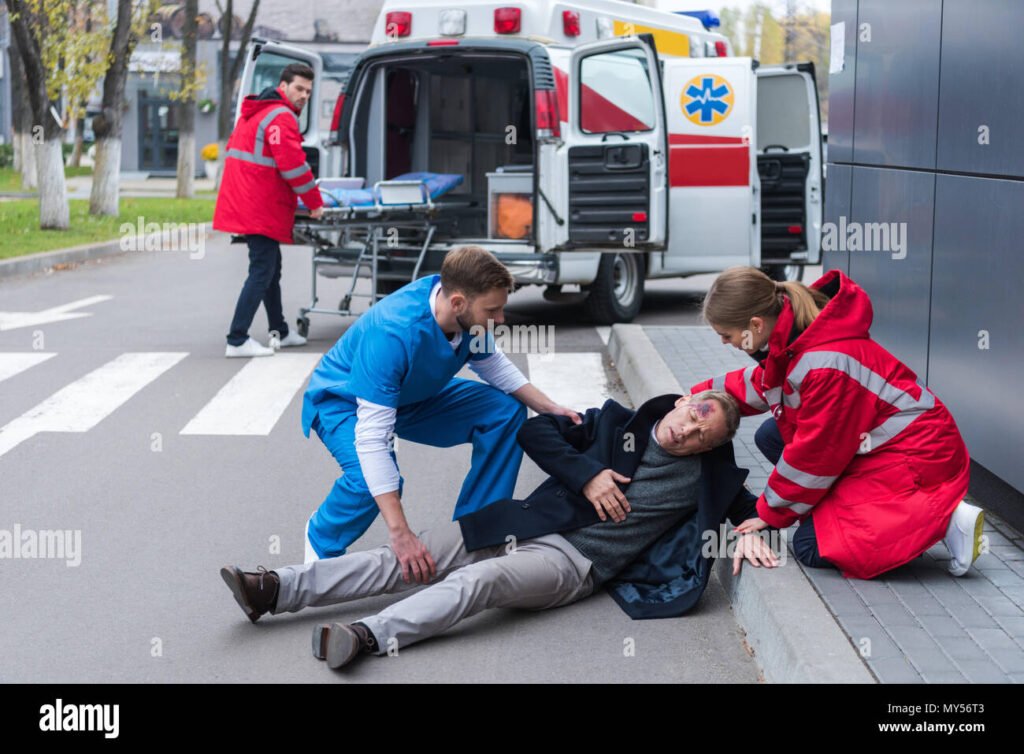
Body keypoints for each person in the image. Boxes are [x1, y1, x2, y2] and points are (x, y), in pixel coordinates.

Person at [221, 390, 779, 669]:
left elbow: (758, 509)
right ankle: (276, 588)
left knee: (479, 582)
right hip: (521, 522)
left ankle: (367, 636)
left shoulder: (710, 475)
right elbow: (538, 435)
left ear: (711, 447)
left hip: (573, 563)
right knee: (406, 557)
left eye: (705, 435)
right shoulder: (612, 423)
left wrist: (753, 528)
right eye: (695, 415)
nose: (690, 431)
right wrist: (587, 477)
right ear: (683, 401)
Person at [691, 266, 982, 580]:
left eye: (727, 335)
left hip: (919, 460)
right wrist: (697, 397)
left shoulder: (824, 363)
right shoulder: (795, 332)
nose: (723, 342)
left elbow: (814, 457)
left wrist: (769, 513)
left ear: (755, 325)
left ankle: (945, 517)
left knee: (810, 546)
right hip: (889, 446)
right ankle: (850, 510)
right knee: (770, 436)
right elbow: (764, 383)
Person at [301, 245, 581, 568]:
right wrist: (401, 534)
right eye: (493, 311)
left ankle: (474, 533)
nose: (500, 320)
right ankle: (321, 536)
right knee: (369, 480)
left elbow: (493, 365)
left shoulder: (465, 313)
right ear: (458, 303)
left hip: (410, 395)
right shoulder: (393, 334)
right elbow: (372, 439)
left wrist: (550, 408)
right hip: (345, 401)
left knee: (505, 412)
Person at [214, 63, 325, 358]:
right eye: (299, 88)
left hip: (250, 201)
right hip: (259, 206)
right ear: (283, 85)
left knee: (270, 270)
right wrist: (314, 202)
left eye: (309, 92)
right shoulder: (281, 117)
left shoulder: (260, 111)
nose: (304, 95)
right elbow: (293, 166)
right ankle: (237, 339)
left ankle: (280, 331)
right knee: (262, 270)